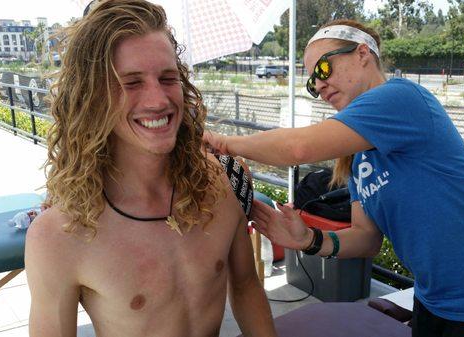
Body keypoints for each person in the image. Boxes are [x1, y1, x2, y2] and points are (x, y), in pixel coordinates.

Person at [204, 19, 464, 337]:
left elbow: (298, 148)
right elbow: (367, 238)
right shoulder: (358, 155)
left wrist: (223, 143)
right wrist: (308, 239)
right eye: (311, 81)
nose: (319, 85)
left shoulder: (401, 98)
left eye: (324, 68)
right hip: (434, 297)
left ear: (362, 53)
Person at [25, 1, 277, 336]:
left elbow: (245, 286)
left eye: (167, 77)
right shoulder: (60, 234)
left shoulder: (218, 182)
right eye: (131, 82)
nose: (158, 100)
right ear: (91, 97)